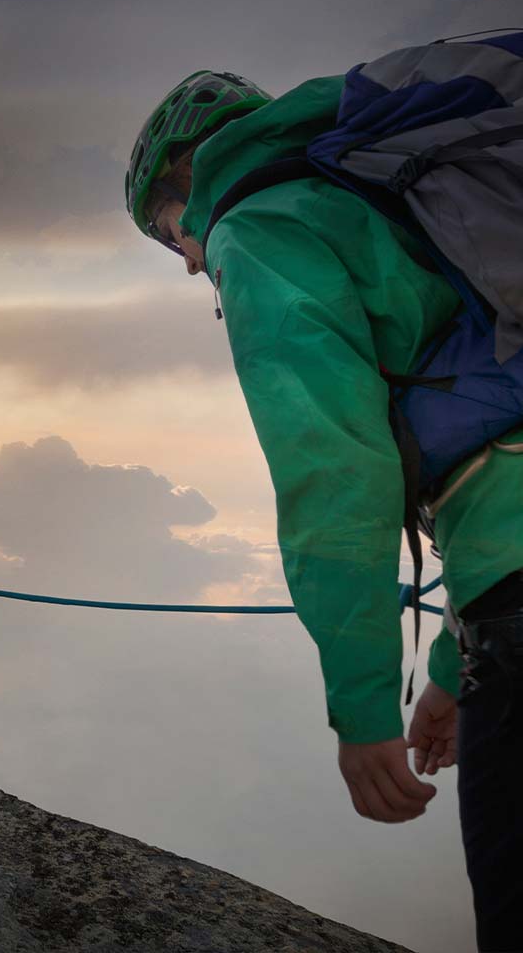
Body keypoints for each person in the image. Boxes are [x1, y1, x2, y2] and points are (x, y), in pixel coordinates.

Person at [126, 71, 523, 950]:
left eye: (169, 237)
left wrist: (364, 711)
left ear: (185, 188)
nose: (192, 262)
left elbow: (335, 473)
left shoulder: (259, 223)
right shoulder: (398, 194)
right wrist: (456, 675)